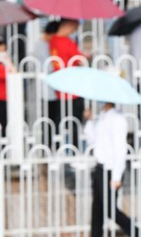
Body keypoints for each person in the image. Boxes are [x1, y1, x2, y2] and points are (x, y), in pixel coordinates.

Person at [84, 102, 141, 237]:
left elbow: (120, 150)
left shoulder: (118, 120)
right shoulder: (102, 118)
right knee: (98, 209)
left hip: (111, 169)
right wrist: (89, 121)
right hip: (100, 167)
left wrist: (116, 176)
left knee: (110, 210)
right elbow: (93, 141)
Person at [50, 19, 87, 147]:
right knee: (75, 123)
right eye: (74, 27)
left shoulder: (53, 40)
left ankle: (60, 149)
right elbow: (80, 60)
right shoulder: (67, 42)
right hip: (73, 88)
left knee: (61, 122)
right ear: (68, 25)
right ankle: (74, 150)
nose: (74, 30)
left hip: (61, 87)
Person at [35, 21, 61, 148]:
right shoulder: (41, 45)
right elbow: (50, 65)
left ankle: (51, 145)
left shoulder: (45, 44)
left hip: (53, 88)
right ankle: (49, 146)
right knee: (49, 119)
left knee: (54, 119)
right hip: (48, 89)